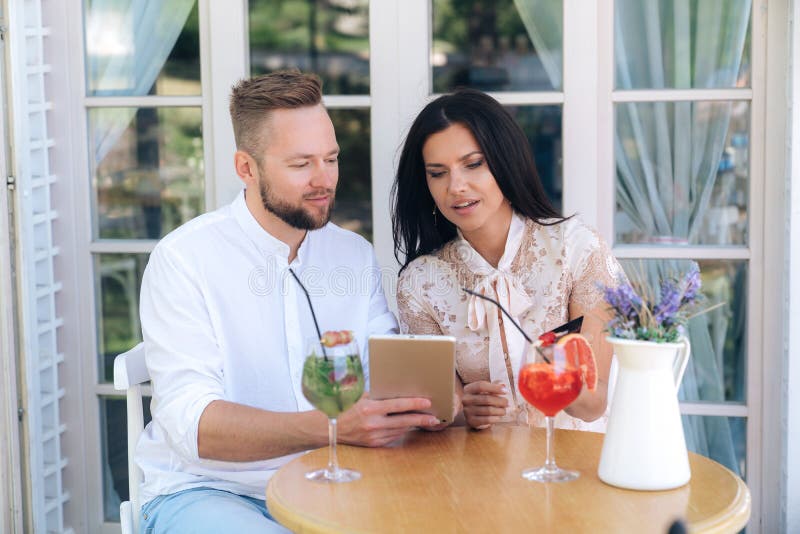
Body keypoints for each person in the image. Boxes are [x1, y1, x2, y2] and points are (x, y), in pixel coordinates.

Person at [136, 71, 441, 533]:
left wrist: (436, 401)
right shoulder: (184, 259)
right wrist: (332, 427)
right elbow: (192, 425)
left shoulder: (352, 254)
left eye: (331, 158)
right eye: (301, 165)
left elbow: (386, 370)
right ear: (246, 167)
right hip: (210, 492)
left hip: (338, 482)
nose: (324, 180)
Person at [392, 88, 623, 432]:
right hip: (482, 473)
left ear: (505, 161)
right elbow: (439, 415)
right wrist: (464, 411)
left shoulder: (578, 250)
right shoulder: (420, 283)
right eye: (437, 173)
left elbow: (594, 404)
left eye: (473, 165)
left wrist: (555, 379)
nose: (456, 186)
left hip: (575, 468)